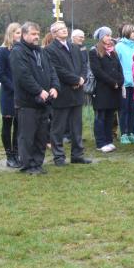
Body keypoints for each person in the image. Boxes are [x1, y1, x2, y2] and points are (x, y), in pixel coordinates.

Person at [10, 21, 59, 174]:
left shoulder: (41, 51)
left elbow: (51, 70)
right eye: (33, 34)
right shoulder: (18, 52)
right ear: (24, 35)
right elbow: (23, 75)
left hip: (44, 102)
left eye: (38, 34)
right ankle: (28, 165)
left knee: (41, 135)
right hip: (27, 102)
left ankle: (37, 163)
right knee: (27, 136)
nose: (36, 36)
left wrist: (54, 87)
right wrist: (38, 90)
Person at [46, 21, 91, 166]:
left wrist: (82, 79)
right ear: (54, 33)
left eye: (65, 28)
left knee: (76, 126)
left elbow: (83, 65)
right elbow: (57, 70)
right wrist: (75, 79)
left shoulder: (75, 47)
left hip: (77, 92)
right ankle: (59, 156)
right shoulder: (50, 50)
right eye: (60, 29)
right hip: (62, 92)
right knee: (58, 127)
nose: (64, 30)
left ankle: (77, 155)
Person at [90, 26, 124, 153]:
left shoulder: (113, 51)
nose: (110, 38)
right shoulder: (94, 51)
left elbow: (119, 68)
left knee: (110, 116)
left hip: (114, 90)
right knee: (101, 117)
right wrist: (112, 82)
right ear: (101, 37)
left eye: (110, 35)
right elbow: (98, 71)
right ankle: (100, 142)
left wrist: (120, 81)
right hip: (102, 90)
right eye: (107, 35)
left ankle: (108, 140)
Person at [0, 23, 22, 168]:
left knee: (19, 124)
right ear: (11, 34)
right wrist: (13, 87)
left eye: (21, 33)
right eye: (17, 33)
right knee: (7, 124)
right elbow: (0, 74)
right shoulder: (3, 51)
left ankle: (17, 153)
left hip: (20, 94)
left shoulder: (21, 50)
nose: (19, 35)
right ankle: (9, 155)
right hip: (8, 93)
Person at [115, 24, 134, 145]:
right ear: (126, 32)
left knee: (133, 109)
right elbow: (116, 65)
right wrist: (120, 81)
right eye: (132, 31)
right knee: (124, 109)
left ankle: (131, 132)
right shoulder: (119, 46)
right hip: (124, 84)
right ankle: (124, 133)